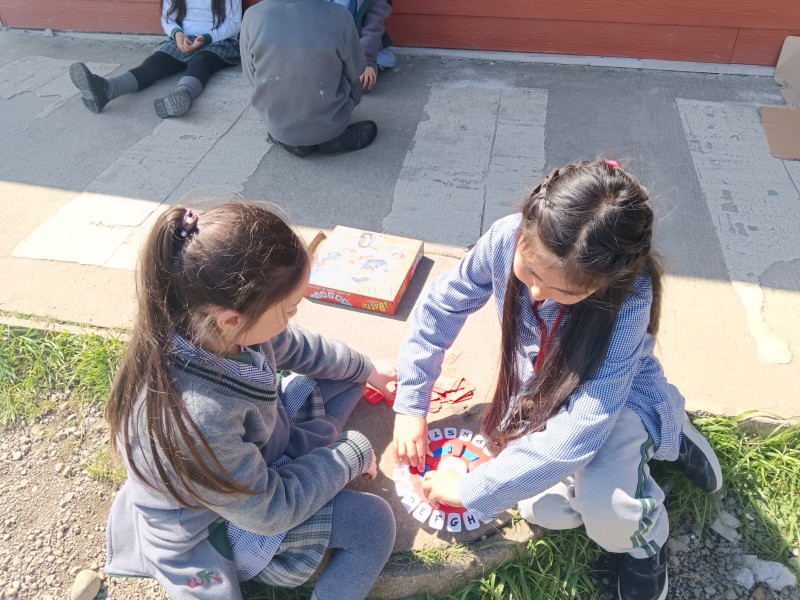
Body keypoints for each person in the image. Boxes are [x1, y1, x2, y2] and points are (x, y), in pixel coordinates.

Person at [391, 160, 723, 600]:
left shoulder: (629, 299)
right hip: (544, 398)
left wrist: (471, 490)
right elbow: (440, 307)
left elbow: (582, 429)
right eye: (529, 270)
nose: (536, 293)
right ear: (525, 230)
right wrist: (411, 403)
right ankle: (658, 445)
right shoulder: (505, 237)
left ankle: (648, 527)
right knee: (542, 508)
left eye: (565, 291)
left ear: (608, 281)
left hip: (616, 404)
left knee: (609, 512)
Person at [104, 202, 396, 600]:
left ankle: (309, 457)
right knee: (373, 524)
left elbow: (296, 346)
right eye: (289, 310)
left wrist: (366, 368)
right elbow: (270, 512)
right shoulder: (199, 418)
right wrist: (350, 454)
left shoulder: (212, 324)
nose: (293, 317)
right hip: (223, 524)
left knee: (342, 379)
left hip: (244, 469)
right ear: (231, 319)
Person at [240, 0, 378, 157]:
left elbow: (250, 76)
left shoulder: (251, 16)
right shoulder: (340, 16)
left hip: (278, 127)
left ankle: (290, 140)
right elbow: (356, 72)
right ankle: (329, 138)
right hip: (333, 125)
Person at [69, 0, 242, 119]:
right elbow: (168, 19)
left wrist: (206, 38)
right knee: (154, 63)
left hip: (218, 41)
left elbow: (234, 23)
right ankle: (106, 89)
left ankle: (182, 96)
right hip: (182, 39)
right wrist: (177, 34)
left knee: (201, 62)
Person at [328, 0, 395, 92]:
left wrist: (365, 61)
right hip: (324, 47)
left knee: (361, 84)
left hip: (361, 49)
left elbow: (373, 26)